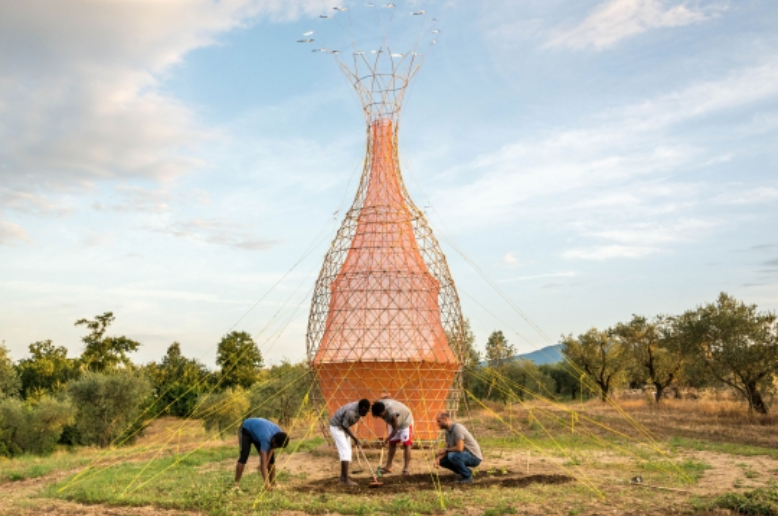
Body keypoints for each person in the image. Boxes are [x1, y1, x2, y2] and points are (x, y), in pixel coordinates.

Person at [234, 417, 289, 491]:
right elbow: (263, 463)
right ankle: (236, 485)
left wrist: (266, 464)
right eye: (275, 446)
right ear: (273, 440)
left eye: (277, 447)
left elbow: (272, 449)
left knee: (271, 460)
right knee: (244, 456)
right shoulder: (265, 439)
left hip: (258, 432)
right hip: (246, 429)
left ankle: (273, 482)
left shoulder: (280, 435)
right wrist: (266, 484)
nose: (275, 448)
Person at [329, 399, 371, 485]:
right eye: (364, 411)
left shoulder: (359, 407)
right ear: (361, 408)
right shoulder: (351, 412)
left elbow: (346, 425)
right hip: (337, 427)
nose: (365, 413)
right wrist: (355, 438)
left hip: (343, 426)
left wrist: (353, 438)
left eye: (367, 411)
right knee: (345, 451)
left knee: (348, 452)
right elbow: (345, 426)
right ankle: (344, 479)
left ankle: (344, 477)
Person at [434, 412, 483, 483]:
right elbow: (446, 448)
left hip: (474, 456)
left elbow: (460, 448)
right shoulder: (447, 431)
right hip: (463, 455)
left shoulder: (457, 429)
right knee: (443, 460)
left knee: (452, 456)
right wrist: (438, 458)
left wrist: (446, 450)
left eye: (439, 421)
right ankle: (466, 472)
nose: (437, 424)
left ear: (445, 419)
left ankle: (467, 477)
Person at [371, 399, 413, 475]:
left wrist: (386, 440)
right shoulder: (380, 404)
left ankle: (405, 469)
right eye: (379, 416)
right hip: (394, 423)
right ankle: (388, 466)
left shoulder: (392, 414)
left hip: (405, 421)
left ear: (384, 410)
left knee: (406, 444)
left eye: (381, 415)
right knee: (392, 443)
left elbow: (395, 429)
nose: (381, 417)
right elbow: (387, 398)